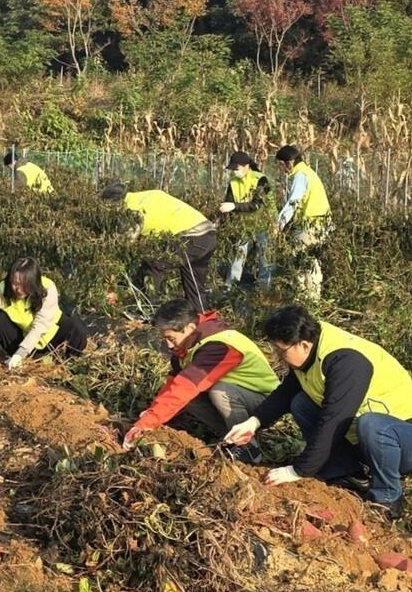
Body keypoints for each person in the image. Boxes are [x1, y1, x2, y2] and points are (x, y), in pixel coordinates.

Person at [224, 304, 412, 519]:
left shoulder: (346, 362)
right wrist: (253, 422)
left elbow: (333, 421)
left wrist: (298, 470)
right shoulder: (309, 354)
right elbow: (286, 392)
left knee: (371, 424)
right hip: (369, 442)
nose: (278, 357)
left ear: (303, 344)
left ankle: (387, 498)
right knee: (300, 402)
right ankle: (346, 473)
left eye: (281, 351)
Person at [121, 299, 278, 449]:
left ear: (189, 328)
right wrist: (151, 413)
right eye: (165, 339)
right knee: (192, 397)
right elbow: (174, 384)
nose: (168, 345)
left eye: (170, 338)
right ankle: (229, 437)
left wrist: (146, 424)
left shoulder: (218, 346)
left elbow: (183, 389)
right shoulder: (187, 346)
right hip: (242, 397)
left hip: (268, 403)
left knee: (220, 392)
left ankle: (248, 447)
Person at [99, 182, 216, 313]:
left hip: (191, 237)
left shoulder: (132, 211)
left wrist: (111, 287)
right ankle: (202, 317)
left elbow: (124, 249)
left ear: (115, 203)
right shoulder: (146, 195)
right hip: (208, 234)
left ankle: (149, 309)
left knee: (153, 264)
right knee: (194, 284)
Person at [0, 257, 88, 368]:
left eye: (24, 285)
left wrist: (21, 353)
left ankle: (68, 361)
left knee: (76, 327)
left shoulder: (48, 288)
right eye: (15, 283)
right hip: (23, 339)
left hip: (51, 337)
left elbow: (40, 327)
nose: (18, 289)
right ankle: (15, 357)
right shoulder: (3, 290)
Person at [274, 145, 331, 299]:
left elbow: (293, 202)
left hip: (310, 225)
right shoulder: (309, 173)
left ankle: (305, 299)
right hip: (320, 225)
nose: (281, 169)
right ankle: (313, 298)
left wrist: (278, 225)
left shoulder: (300, 176)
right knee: (311, 262)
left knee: (300, 262)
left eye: (281, 164)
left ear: (290, 162)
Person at [217, 151, 272, 287]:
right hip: (243, 228)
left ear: (246, 166)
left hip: (263, 226)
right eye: (233, 169)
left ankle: (264, 292)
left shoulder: (260, 179)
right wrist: (221, 222)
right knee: (237, 260)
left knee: (265, 262)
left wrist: (233, 206)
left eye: (237, 169)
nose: (235, 172)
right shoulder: (233, 183)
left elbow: (256, 204)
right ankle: (230, 288)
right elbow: (228, 204)